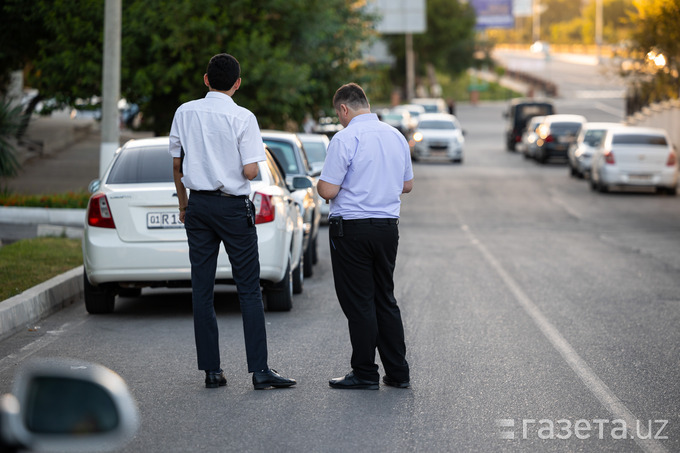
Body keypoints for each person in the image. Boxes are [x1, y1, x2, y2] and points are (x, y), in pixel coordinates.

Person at [169, 53, 296, 390]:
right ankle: (259, 371)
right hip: (232, 207)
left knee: (203, 288)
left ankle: (212, 372)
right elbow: (251, 170)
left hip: (198, 206)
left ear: (206, 79)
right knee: (249, 289)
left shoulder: (184, 112)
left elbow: (177, 167)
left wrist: (184, 207)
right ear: (237, 84)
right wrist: (238, 166)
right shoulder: (244, 117)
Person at [317, 83, 413, 390]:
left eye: (338, 113)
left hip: (352, 230)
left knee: (359, 302)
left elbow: (328, 190)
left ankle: (365, 372)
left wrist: (349, 185)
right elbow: (407, 185)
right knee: (384, 297)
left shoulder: (345, 138)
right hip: (387, 228)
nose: (340, 119)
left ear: (344, 109)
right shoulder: (396, 136)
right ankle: (398, 373)